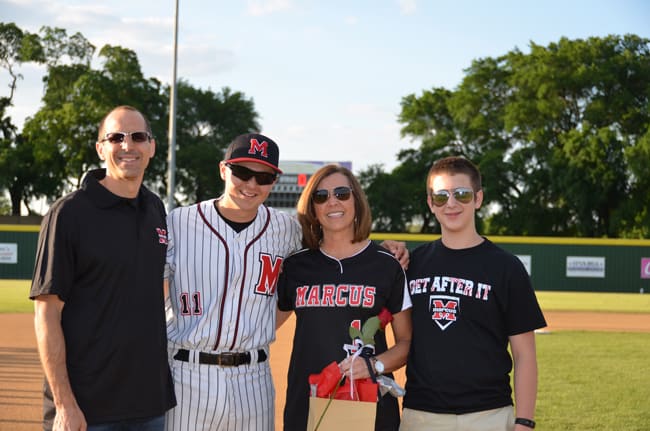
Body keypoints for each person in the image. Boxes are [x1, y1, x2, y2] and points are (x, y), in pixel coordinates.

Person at [164, 135, 409, 431]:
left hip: (253, 379)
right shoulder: (177, 223)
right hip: (189, 373)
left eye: (264, 176)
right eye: (242, 172)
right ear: (223, 170)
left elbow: (340, 249)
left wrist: (388, 249)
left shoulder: (284, 230)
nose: (252, 184)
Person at [30, 105, 176, 431]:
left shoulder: (155, 209)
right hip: (87, 409)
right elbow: (46, 314)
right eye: (116, 137)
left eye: (138, 137)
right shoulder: (68, 214)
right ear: (101, 148)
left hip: (149, 405)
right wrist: (65, 404)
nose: (128, 145)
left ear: (151, 147)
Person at [400, 156, 547, 431]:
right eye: (441, 196)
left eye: (462, 194)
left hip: (488, 415)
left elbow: (525, 355)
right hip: (421, 414)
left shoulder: (506, 267)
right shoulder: (413, 264)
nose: (452, 203)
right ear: (431, 203)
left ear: (478, 199)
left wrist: (525, 422)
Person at [276, 164, 413, 431]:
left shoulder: (387, 264)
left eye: (341, 193)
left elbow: (407, 342)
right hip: (309, 403)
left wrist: (374, 365)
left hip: (369, 406)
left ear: (357, 201)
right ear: (312, 209)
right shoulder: (296, 266)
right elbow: (263, 325)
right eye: (321, 196)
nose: (332, 202)